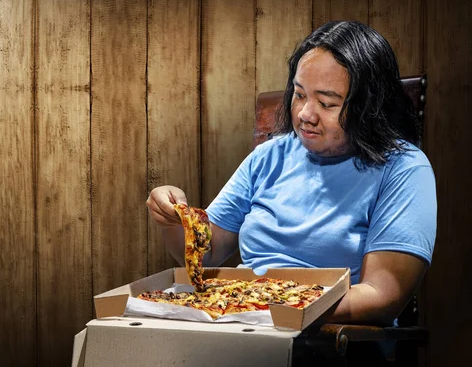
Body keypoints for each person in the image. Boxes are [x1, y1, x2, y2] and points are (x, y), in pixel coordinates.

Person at [146, 20, 436, 326]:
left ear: (369, 106)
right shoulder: (270, 155)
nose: (305, 115)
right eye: (299, 95)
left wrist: (269, 307)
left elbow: (381, 297)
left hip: (326, 335)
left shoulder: (403, 168)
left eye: (327, 103)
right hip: (238, 319)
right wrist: (173, 219)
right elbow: (207, 252)